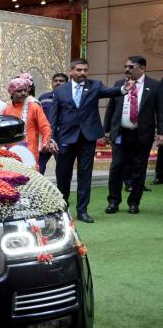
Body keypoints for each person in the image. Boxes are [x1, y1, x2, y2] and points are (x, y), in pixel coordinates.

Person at [48, 58, 135, 223]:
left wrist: (124, 89)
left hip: (87, 138)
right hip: (66, 138)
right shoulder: (60, 91)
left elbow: (110, 91)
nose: (83, 73)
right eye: (79, 70)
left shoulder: (95, 85)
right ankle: (62, 209)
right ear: (71, 71)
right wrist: (51, 138)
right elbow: (54, 117)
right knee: (63, 175)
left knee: (85, 175)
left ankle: (82, 211)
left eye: (85, 70)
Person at [103, 56, 163, 214]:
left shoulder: (155, 86)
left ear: (142, 68)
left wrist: (161, 133)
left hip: (142, 134)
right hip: (121, 133)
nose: (127, 69)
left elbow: (160, 111)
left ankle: (134, 202)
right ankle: (113, 201)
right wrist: (107, 130)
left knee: (139, 168)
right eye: (125, 66)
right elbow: (110, 109)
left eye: (131, 66)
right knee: (116, 167)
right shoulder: (119, 84)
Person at [2, 76, 56, 169]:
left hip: (30, 155)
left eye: (25, 90)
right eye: (19, 91)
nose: (23, 93)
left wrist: (45, 142)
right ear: (12, 93)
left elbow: (45, 127)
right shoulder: (6, 110)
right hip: (11, 155)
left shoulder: (34, 107)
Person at [38, 73, 68, 174]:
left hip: (62, 138)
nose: (58, 83)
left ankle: (62, 189)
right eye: (56, 81)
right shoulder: (43, 98)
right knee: (39, 166)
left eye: (61, 81)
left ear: (67, 84)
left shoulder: (70, 99)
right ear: (52, 83)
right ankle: (38, 188)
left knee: (62, 168)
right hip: (45, 138)